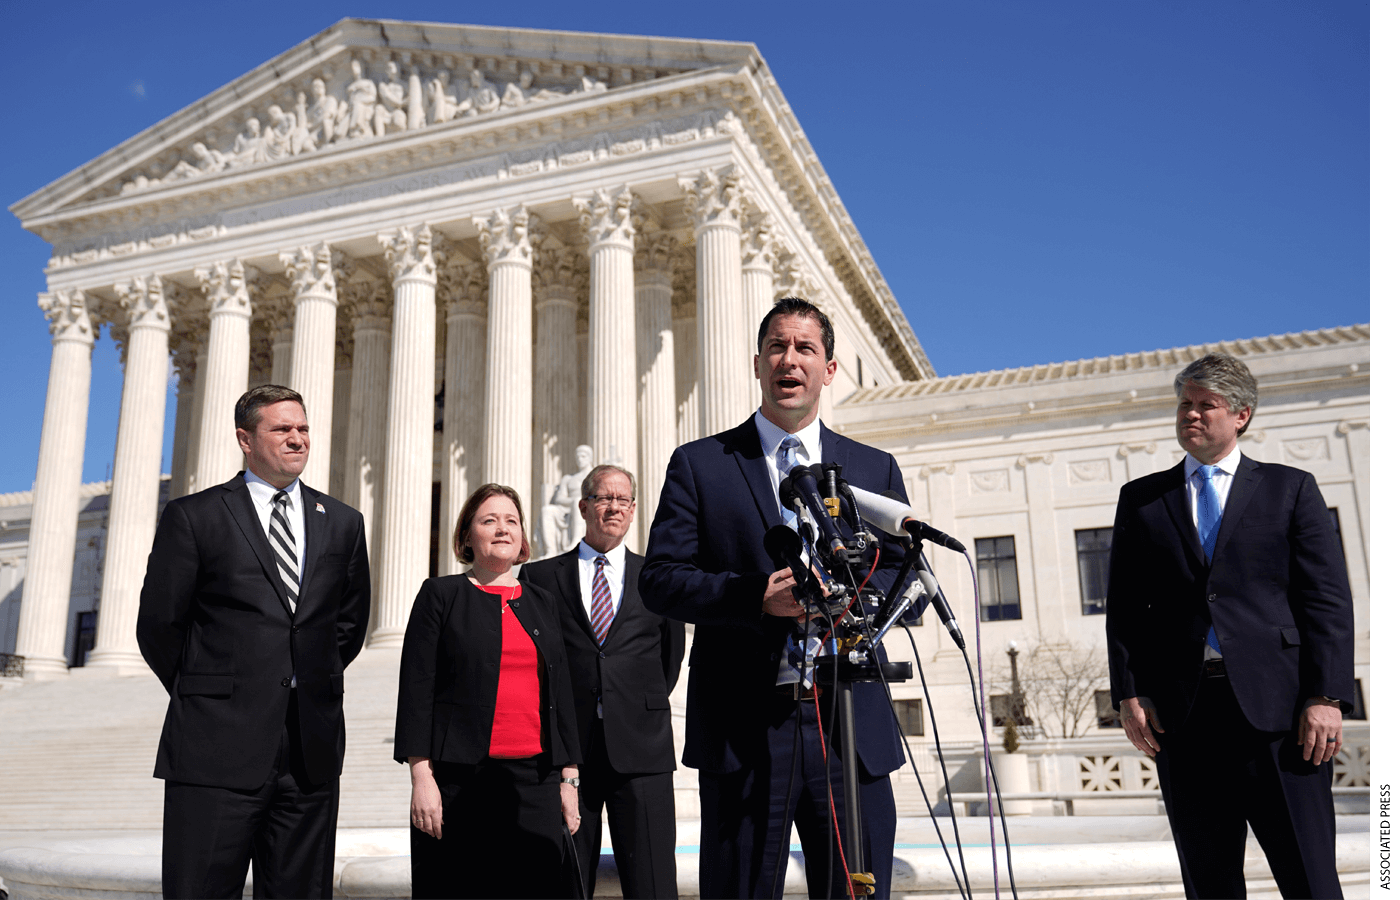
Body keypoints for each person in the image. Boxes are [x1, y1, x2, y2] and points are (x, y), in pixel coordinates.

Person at [640, 297, 918, 900]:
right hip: (745, 728)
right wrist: (752, 597)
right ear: (758, 362)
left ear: (829, 369)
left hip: (849, 726)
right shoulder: (701, 465)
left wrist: (853, 601)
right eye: (777, 347)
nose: (789, 360)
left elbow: (903, 573)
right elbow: (660, 579)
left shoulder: (874, 468)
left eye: (805, 348)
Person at [1106, 352, 1354, 899]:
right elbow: (1125, 607)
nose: (1190, 415)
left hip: (1283, 717)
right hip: (1184, 717)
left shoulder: (1289, 489)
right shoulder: (1143, 500)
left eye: (1205, 405)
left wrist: (1326, 695)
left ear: (1240, 414)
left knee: (1310, 876)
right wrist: (1129, 692)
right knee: (1210, 882)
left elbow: (1327, 599)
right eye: (1184, 405)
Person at [136, 384, 372, 899]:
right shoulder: (195, 516)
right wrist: (209, 691)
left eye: (303, 429)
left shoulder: (343, 523)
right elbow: (159, 624)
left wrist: (312, 678)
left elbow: (349, 625)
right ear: (245, 439)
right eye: (282, 429)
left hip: (310, 751)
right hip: (215, 745)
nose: (297, 439)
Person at [395, 484, 583, 900]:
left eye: (511, 521)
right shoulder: (440, 595)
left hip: (536, 781)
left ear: (522, 540)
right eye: (489, 520)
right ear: (466, 536)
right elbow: (416, 689)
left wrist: (569, 780)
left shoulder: (542, 601)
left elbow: (561, 693)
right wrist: (422, 777)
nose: (503, 528)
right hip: (461, 783)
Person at [520, 465, 686, 899]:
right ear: (583, 506)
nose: (614, 507)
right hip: (568, 755)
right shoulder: (539, 579)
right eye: (603, 498)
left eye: (623, 500)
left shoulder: (656, 576)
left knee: (653, 884)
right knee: (565, 884)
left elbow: (669, 659)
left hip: (643, 751)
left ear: (633, 511)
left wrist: (628, 702)